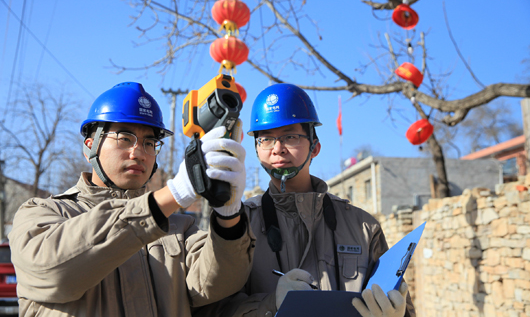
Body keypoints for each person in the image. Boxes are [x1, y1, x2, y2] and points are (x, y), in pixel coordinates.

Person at [8, 82, 255, 317]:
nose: (138, 152)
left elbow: (218, 285)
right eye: (124, 138)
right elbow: (54, 272)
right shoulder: (42, 213)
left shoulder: (180, 227)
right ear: (90, 146)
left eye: (150, 142)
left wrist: (229, 215)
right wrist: (173, 194)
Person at [194, 83, 415, 317]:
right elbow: (211, 308)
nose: (277, 149)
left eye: (290, 137)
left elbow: (398, 300)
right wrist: (271, 304)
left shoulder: (363, 227)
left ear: (315, 147)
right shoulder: (236, 226)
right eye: (266, 139)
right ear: (256, 149)